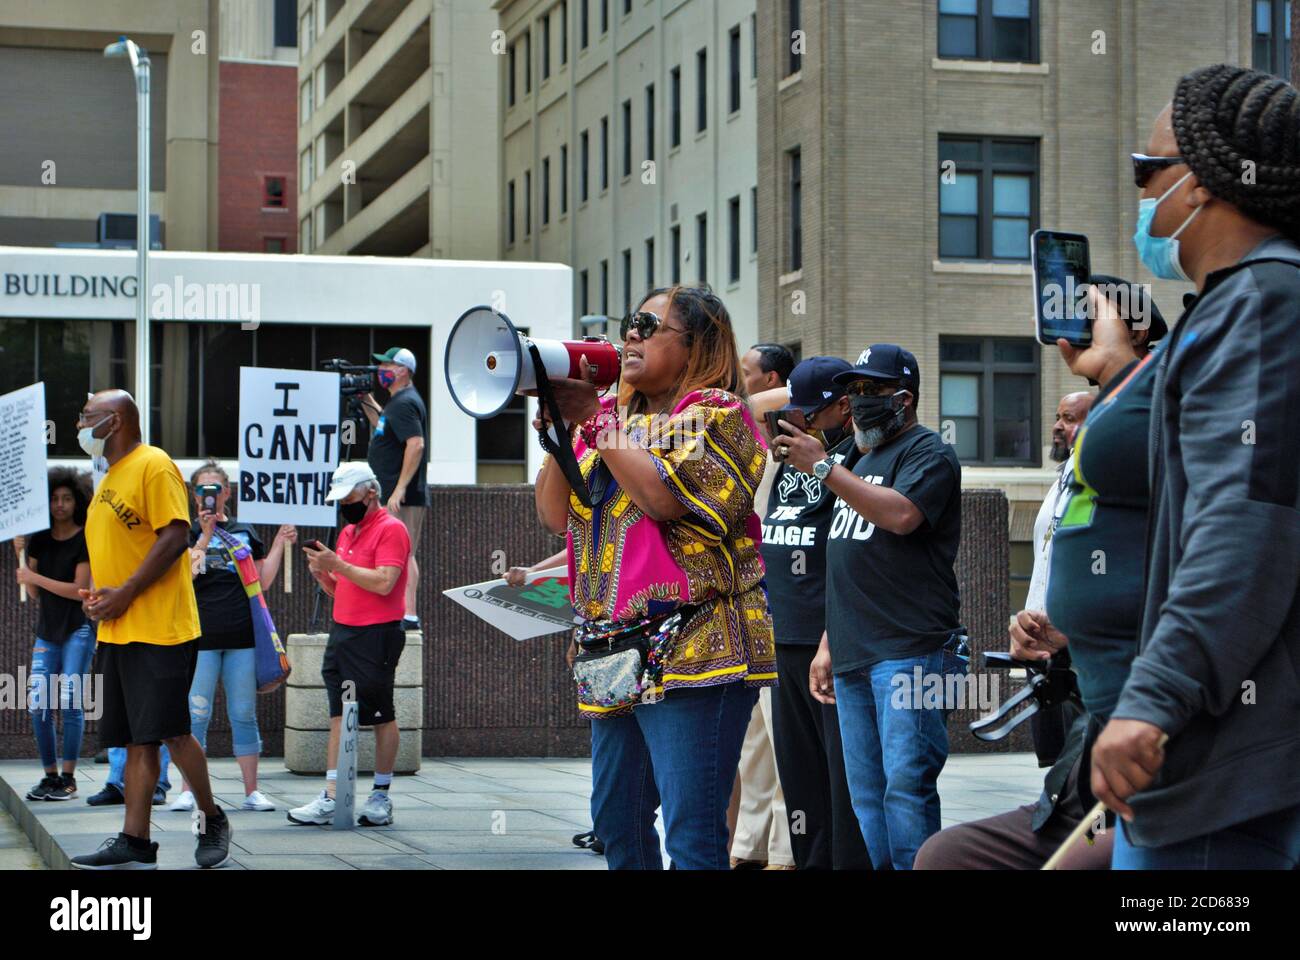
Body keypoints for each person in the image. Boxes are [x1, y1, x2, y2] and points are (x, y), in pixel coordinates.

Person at [1091, 64, 1300, 869]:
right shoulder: (1245, 303)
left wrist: (1153, 699)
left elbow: (1241, 526)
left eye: (1148, 173)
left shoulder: (1260, 302)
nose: (1142, 195)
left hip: (1229, 762)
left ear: (1205, 185)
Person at [915, 281, 1165, 870]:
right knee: (946, 856)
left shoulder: (1167, 413)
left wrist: (1124, 367)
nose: (1072, 334)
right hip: (1084, 687)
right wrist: (1061, 632)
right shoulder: (1102, 441)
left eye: (1094, 317)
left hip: (1159, 733)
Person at [533, 285, 775, 869]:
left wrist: (596, 419)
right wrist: (567, 431)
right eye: (628, 323)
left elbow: (663, 499)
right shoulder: (614, 425)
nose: (631, 335)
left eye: (648, 324)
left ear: (696, 344)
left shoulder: (719, 414)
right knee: (616, 822)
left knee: (692, 835)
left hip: (698, 648)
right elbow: (553, 513)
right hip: (613, 651)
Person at [779, 344, 962, 870]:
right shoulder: (857, 456)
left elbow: (903, 517)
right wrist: (826, 644)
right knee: (867, 794)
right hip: (854, 652)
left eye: (871, 392)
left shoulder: (928, 452)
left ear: (904, 400)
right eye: (853, 391)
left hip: (911, 651)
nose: (857, 402)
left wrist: (825, 469)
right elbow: (846, 563)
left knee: (905, 787)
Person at [69, 390, 231, 870]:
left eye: (87, 417)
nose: (79, 425)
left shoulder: (153, 463)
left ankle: (213, 817)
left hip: (160, 627)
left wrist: (127, 593)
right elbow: (120, 552)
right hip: (118, 630)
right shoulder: (109, 476)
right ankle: (135, 842)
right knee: (137, 739)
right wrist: (100, 598)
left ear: (114, 421)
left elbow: (175, 535)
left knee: (172, 732)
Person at [758, 357, 872, 870]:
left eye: (807, 414)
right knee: (799, 776)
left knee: (840, 778)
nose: (795, 424)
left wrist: (822, 461)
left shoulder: (857, 461)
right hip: (782, 636)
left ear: (843, 408)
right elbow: (746, 405)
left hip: (827, 641)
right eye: (792, 414)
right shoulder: (790, 460)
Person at [167, 460, 295, 813]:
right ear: (193, 495)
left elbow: (262, 581)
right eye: (202, 489)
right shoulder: (185, 533)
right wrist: (205, 535)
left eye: (216, 488)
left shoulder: (244, 531)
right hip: (200, 636)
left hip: (241, 637)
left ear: (227, 493)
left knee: (243, 712)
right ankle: (189, 790)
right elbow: (185, 578)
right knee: (196, 714)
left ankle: (251, 791)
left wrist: (281, 543)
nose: (209, 495)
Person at [289, 462, 411, 828]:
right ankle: (331, 796)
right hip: (343, 632)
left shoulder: (392, 529)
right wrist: (324, 574)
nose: (345, 504)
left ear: (370, 492)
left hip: (377, 634)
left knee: (381, 713)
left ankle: (380, 795)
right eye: (340, 499)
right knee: (339, 714)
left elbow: (384, 583)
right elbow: (344, 590)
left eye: (349, 497)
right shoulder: (348, 532)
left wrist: (337, 565)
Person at [1023, 390, 1093, 767]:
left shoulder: (1099, 480)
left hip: (1074, 645)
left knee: (1081, 761)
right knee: (1054, 762)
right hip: (1041, 643)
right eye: (1057, 416)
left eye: (1068, 418)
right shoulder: (1061, 479)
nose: (1056, 426)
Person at [16, 468, 94, 802]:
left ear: (77, 501)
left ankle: (69, 777)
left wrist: (36, 577)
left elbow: (79, 590)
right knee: (39, 705)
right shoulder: (40, 540)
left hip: (77, 629)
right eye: (54, 498)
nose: (60, 504)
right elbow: (33, 594)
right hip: (47, 632)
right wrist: (19, 554)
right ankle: (49, 776)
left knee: (70, 702)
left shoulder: (84, 538)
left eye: (66, 498)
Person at [360, 346, 427, 632]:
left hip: (403, 496)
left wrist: (399, 489)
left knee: (404, 552)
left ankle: (409, 614)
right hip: (392, 491)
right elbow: (383, 427)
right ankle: (402, 610)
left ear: (402, 370)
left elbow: (416, 444)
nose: (381, 370)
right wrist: (365, 400)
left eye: (387, 365)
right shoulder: (397, 403)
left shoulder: (403, 403)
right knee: (397, 552)